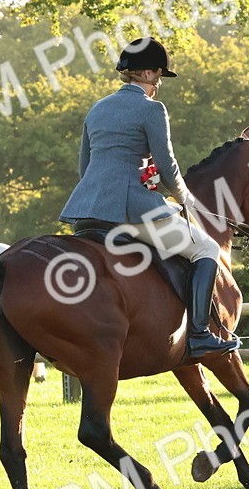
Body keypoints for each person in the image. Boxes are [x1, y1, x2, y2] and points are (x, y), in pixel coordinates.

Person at [59, 37, 239, 359]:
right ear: (144, 74)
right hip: (129, 213)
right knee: (207, 248)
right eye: (157, 75)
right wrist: (187, 200)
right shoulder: (152, 109)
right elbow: (169, 170)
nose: (158, 84)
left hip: (85, 212)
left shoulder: (97, 109)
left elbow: (84, 167)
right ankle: (199, 335)